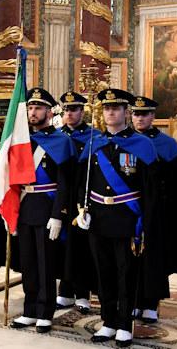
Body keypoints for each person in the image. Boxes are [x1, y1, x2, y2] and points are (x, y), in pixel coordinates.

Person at [75, 89, 158, 347]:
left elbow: (151, 189)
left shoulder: (141, 144)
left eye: (116, 108)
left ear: (126, 112)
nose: (110, 112)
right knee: (104, 274)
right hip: (99, 217)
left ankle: (124, 325)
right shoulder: (94, 142)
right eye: (107, 108)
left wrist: (145, 222)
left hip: (127, 219)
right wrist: (82, 209)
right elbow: (82, 182)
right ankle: (108, 322)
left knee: (126, 274)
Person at [9, 88, 75, 333]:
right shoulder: (21, 140)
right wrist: (11, 212)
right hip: (25, 207)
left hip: (48, 209)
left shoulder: (61, 141)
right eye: (30, 108)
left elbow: (65, 183)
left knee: (46, 262)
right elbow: (12, 179)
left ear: (49, 111)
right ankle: (29, 310)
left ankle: (45, 311)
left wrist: (58, 214)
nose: (32, 112)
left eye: (38, 108)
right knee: (27, 262)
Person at [131, 96, 177, 324]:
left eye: (144, 114)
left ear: (152, 117)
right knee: (130, 258)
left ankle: (150, 303)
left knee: (154, 257)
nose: (139, 118)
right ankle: (133, 300)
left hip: (159, 211)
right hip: (130, 209)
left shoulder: (166, 144)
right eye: (136, 114)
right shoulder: (125, 141)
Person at [56, 91, 99, 314]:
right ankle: (64, 290)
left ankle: (82, 293)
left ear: (83, 111)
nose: (69, 113)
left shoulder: (93, 137)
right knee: (62, 245)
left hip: (83, 197)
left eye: (74, 109)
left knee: (81, 246)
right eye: (66, 110)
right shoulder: (56, 135)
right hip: (60, 196)